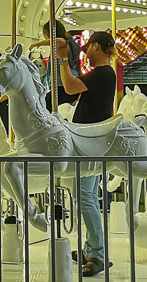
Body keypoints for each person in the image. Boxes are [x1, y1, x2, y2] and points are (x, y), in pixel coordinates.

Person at [55, 31, 116, 276]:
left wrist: (62, 60)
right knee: (86, 194)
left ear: (97, 47)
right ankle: (91, 246)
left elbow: (70, 87)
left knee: (86, 195)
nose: (87, 51)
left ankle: (98, 252)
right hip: (89, 140)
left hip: (92, 142)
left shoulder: (102, 73)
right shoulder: (102, 74)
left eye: (89, 47)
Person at [30, 20, 82, 111]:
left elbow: (58, 41)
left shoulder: (64, 43)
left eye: (45, 33)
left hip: (63, 84)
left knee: (45, 107)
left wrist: (39, 43)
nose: (44, 36)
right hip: (60, 84)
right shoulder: (62, 45)